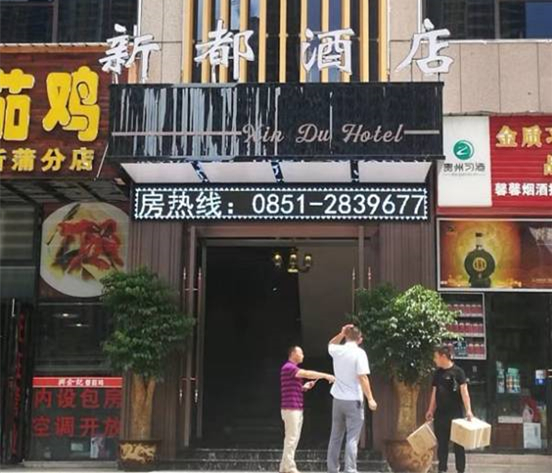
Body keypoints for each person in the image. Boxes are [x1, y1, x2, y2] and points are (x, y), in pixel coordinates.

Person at [327, 324, 377, 473]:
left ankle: (332, 468)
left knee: (335, 436)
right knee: (352, 437)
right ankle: (350, 469)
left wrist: (341, 333)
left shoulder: (338, 350)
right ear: (359, 339)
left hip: (337, 398)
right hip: (353, 399)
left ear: (347, 336)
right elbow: (363, 377)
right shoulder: (359, 353)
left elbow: (330, 344)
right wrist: (370, 398)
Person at [280, 346, 335, 473]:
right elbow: (306, 373)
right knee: (291, 438)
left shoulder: (291, 370)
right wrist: (325, 376)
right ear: (293, 354)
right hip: (291, 408)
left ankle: (284, 466)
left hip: (295, 407)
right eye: (301, 353)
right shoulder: (289, 367)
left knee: (292, 438)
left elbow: (295, 387)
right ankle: (290, 467)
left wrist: (303, 387)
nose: (303, 355)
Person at [425, 345, 474, 473]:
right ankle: (442, 470)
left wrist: (468, 410)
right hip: (440, 415)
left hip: (456, 415)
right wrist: (430, 410)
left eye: (436, 357)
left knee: (459, 445)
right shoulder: (437, 374)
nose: (434, 360)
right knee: (442, 445)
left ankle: (460, 470)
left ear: (443, 357)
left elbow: (464, 392)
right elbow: (434, 393)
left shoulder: (458, 372)